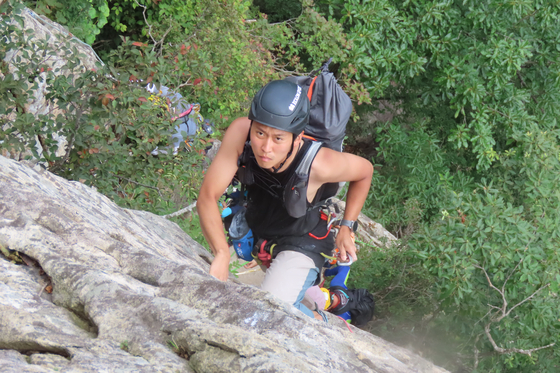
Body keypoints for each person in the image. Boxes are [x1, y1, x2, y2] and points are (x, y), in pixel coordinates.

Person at [197, 79, 373, 319]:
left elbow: (364, 172)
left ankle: (326, 323)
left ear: (297, 137)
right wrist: (221, 253)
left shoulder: (319, 163)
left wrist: (346, 227)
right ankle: (327, 298)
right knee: (284, 290)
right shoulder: (241, 133)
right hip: (261, 230)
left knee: (272, 307)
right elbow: (208, 196)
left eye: (278, 138)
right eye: (259, 133)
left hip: (304, 240)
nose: (265, 148)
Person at [304, 264, 375, 326]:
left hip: (307, 285)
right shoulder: (346, 317)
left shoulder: (339, 285)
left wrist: (326, 273)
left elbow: (345, 268)